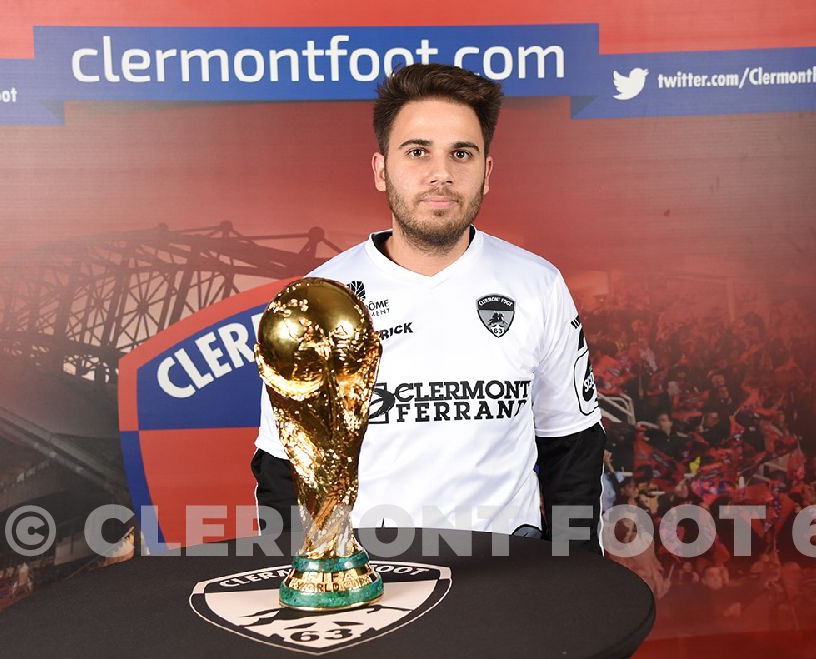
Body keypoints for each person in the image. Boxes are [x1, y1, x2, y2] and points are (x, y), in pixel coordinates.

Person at [252, 63, 604, 550]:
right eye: (418, 151)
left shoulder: (537, 284)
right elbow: (282, 468)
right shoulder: (320, 297)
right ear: (381, 170)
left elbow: (573, 451)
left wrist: (573, 574)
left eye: (462, 153)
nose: (441, 174)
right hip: (369, 586)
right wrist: (302, 580)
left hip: (506, 578)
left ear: (487, 172)